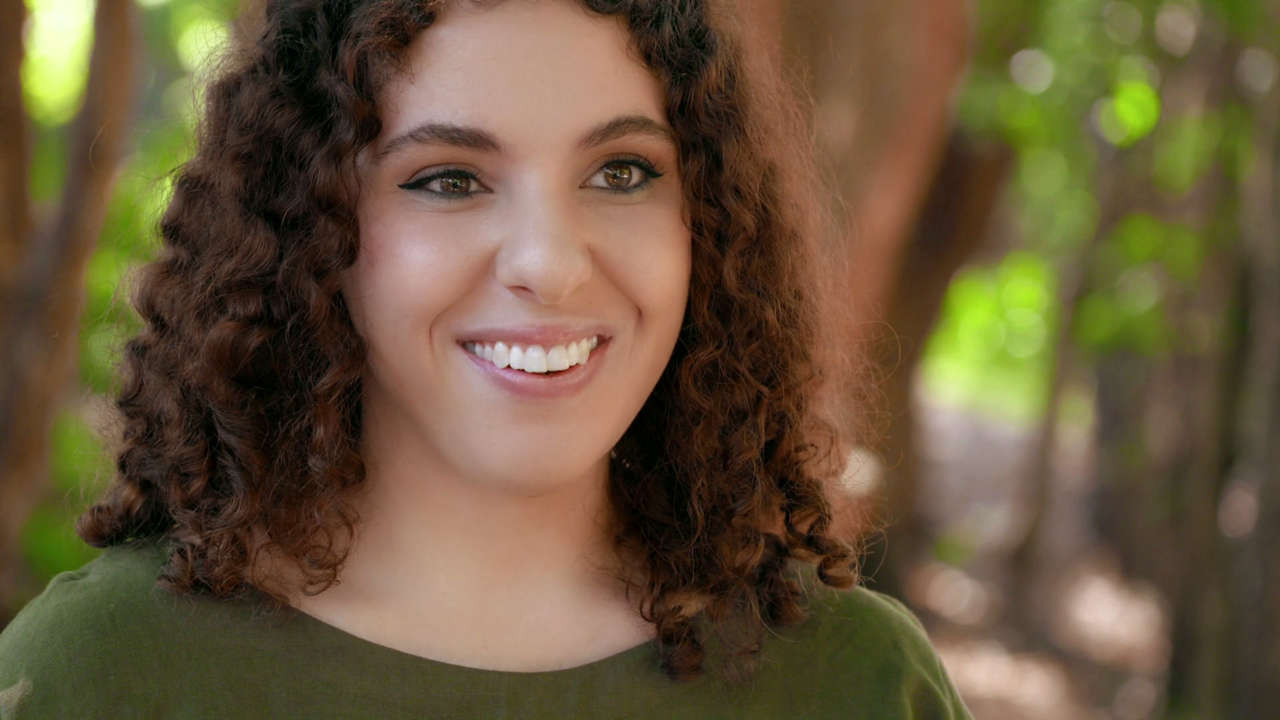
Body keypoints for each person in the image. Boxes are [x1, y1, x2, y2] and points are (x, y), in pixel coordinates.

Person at [0, 0, 972, 717]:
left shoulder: (856, 684)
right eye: (449, 179)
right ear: (307, 231)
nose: (549, 264)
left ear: (706, 229)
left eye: (621, 172)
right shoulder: (102, 676)